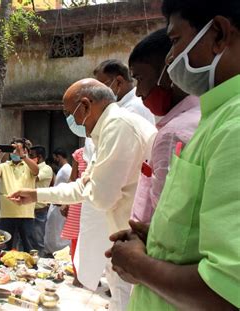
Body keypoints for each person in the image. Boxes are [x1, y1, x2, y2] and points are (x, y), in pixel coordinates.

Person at [107, 1, 240, 310]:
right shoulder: (214, 119)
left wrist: (138, 266)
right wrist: (158, 240)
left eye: (176, 40)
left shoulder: (233, 127)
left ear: (218, 34)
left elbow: (228, 291)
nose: (170, 58)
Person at [9, 79, 157, 311]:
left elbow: (101, 197)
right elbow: (83, 188)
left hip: (135, 244)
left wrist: (89, 184)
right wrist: (36, 194)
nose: (71, 120)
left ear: (86, 106)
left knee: (127, 300)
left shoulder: (118, 127)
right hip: (121, 240)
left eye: (70, 113)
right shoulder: (106, 130)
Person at [128, 28, 201, 223]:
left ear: (169, 72)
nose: (138, 92)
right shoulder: (205, 114)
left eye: (139, 79)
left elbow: (166, 218)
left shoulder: (172, 135)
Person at [0, 138, 39, 252]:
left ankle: (32, 268)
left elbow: (36, 171)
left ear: (25, 150)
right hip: (6, 214)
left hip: (26, 215)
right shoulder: (4, 165)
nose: (15, 152)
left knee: (30, 248)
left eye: (18, 149)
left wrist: (23, 156)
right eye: (13, 149)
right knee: (4, 249)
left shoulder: (29, 165)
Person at [61, 143, 88, 287]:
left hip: (96, 202)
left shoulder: (106, 150)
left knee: (98, 240)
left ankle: (92, 275)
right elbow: (72, 180)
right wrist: (65, 202)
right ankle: (78, 275)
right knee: (76, 240)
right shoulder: (79, 154)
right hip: (78, 202)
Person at [94, 59, 155, 124]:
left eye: (102, 86)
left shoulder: (132, 109)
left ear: (119, 82)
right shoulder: (123, 104)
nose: (100, 92)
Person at [44, 148, 72, 256]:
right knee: (53, 232)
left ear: (58, 157)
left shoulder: (67, 170)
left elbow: (70, 187)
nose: (54, 159)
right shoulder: (63, 169)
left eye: (55, 157)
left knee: (58, 233)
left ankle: (60, 254)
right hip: (55, 206)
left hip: (60, 206)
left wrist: (65, 204)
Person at [28, 145, 53, 254]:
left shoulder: (46, 169)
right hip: (27, 211)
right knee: (25, 240)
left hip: (38, 212)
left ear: (40, 157)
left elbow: (33, 177)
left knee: (37, 241)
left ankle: (40, 264)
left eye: (31, 156)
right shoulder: (31, 167)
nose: (29, 157)